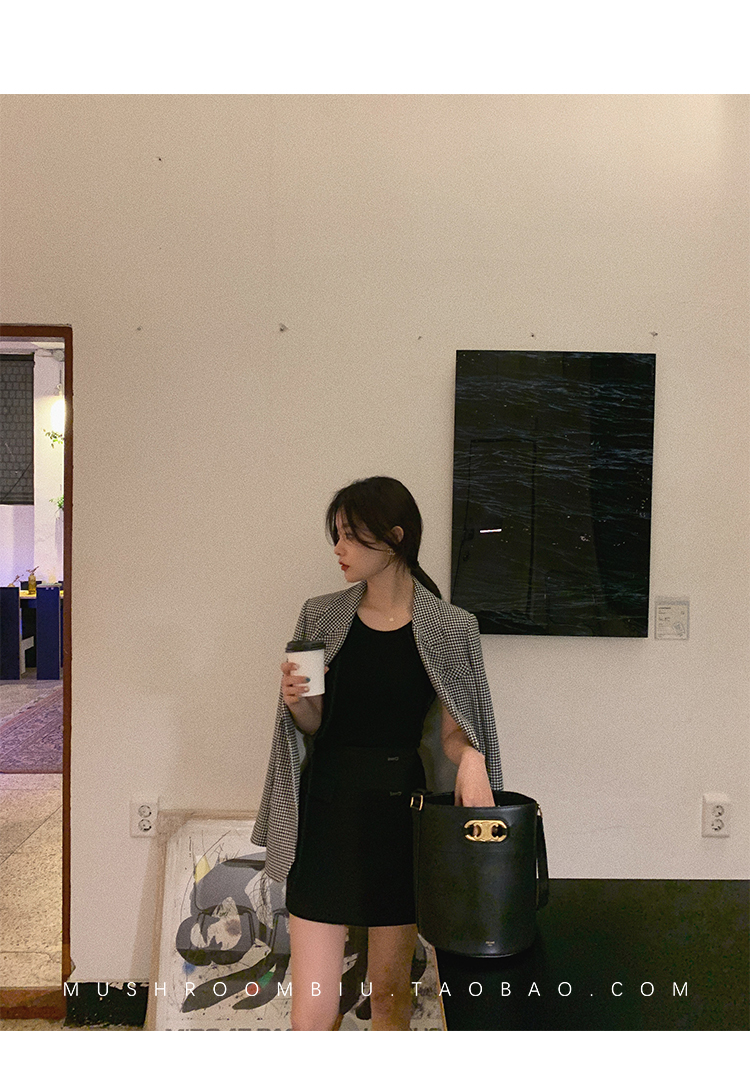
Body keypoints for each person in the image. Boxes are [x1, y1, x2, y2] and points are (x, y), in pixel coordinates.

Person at [251, 476, 503, 1030]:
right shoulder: (321, 616)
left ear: (394, 537)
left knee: (388, 997)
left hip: (399, 818)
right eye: (336, 535)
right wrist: (298, 702)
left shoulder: (450, 628)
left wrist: (473, 759)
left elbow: (455, 732)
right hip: (326, 811)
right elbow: (314, 726)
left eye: (349, 535)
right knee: (312, 1009)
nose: (337, 549)